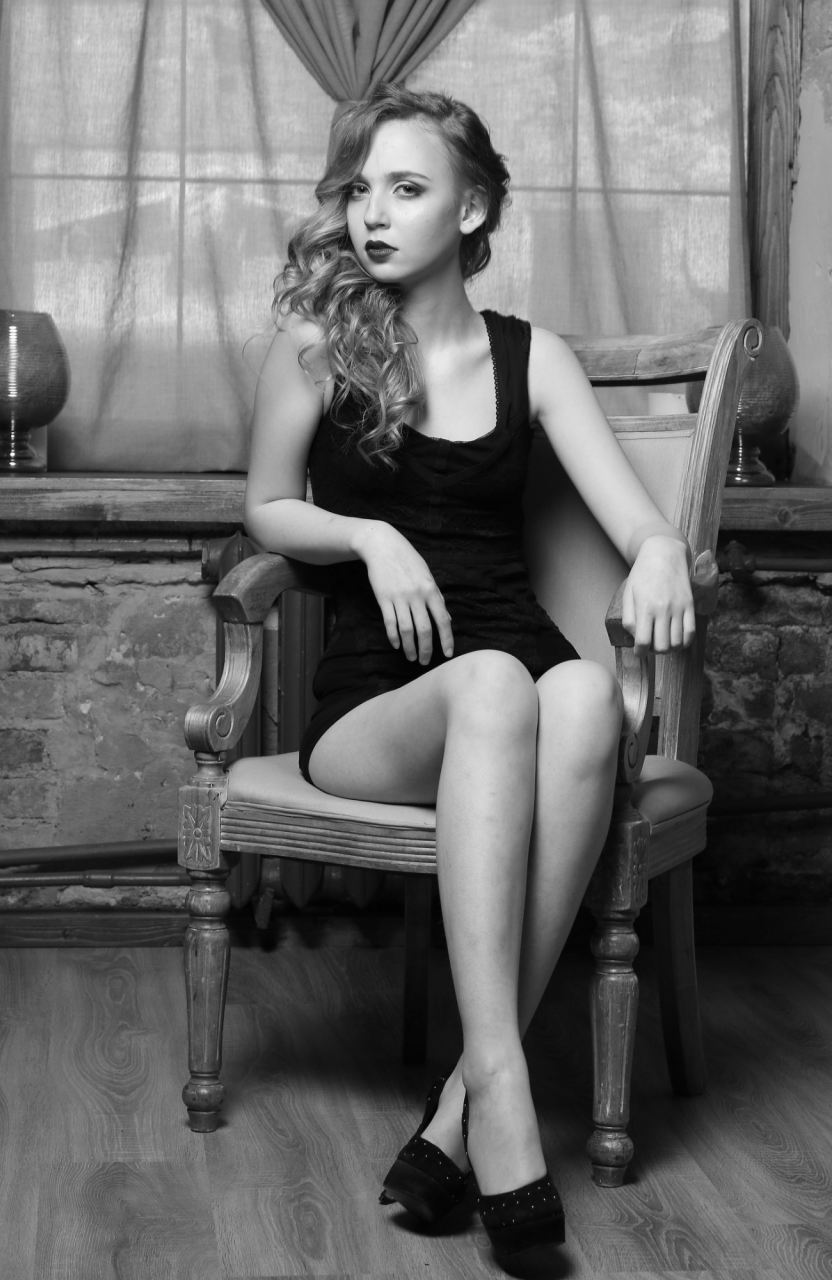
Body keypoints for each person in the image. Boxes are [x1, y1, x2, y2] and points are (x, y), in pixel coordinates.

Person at [244, 82, 695, 1257]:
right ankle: (499, 1087)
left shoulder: (531, 358)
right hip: (376, 702)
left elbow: (636, 520)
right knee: (499, 679)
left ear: (473, 207)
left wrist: (657, 551)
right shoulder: (316, 348)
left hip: (514, 667)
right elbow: (265, 508)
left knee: (580, 687)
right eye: (360, 189)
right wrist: (367, 534)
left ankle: (464, 1101)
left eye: (407, 188)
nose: (372, 213)